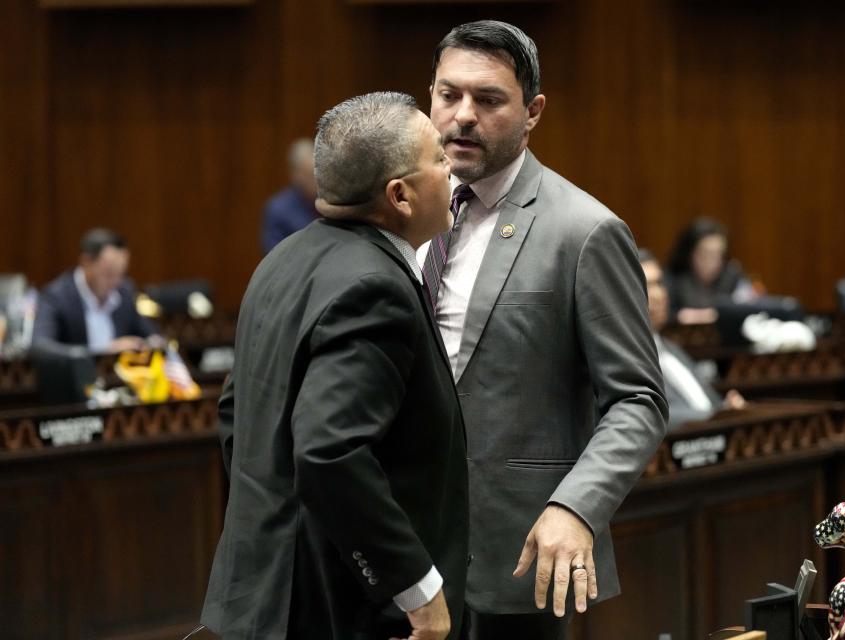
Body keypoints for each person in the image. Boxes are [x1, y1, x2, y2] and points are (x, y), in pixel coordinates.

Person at [422, 21, 668, 638]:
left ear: (532, 112)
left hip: (519, 550)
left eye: (489, 99)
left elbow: (637, 401)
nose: (463, 116)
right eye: (448, 95)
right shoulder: (404, 212)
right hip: (408, 548)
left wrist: (575, 506)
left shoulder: (584, 231)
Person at [201, 92, 468, 640]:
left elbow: (236, 414)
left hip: (261, 597)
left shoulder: (283, 259)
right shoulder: (374, 287)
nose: (452, 170)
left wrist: (281, 516)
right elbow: (327, 452)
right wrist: (416, 588)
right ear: (400, 195)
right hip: (339, 609)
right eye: (440, 159)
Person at [638, 248, 746, 428]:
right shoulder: (623, 358)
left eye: (659, 283)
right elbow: (649, 416)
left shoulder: (672, 349)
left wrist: (728, 408)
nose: (658, 295)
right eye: (646, 286)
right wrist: (718, 416)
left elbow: (707, 403)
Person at [32, 228, 161, 354]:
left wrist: (143, 345)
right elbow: (41, 347)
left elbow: (152, 336)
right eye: (109, 274)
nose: (116, 282)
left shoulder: (124, 291)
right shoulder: (56, 297)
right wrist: (104, 351)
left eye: (121, 274)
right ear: (86, 262)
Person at [665, 217, 759, 324]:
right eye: (705, 254)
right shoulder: (673, 278)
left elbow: (750, 308)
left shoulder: (733, 275)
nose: (712, 262)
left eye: (718, 254)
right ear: (689, 253)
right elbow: (663, 315)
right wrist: (678, 316)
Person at [260, 138, 319, 254]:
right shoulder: (278, 209)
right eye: (310, 176)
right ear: (296, 175)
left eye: (319, 175)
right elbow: (273, 255)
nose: (317, 183)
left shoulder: (329, 203)